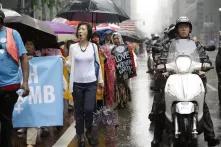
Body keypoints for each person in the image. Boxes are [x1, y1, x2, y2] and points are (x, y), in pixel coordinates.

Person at [151, 16, 220, 147]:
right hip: (173, 76)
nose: (183, 29)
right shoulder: (169, 44)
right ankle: (157, 137)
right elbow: (162, 58)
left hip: (192, 76)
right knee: (161, 104)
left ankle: (210, 136)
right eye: (181, 27)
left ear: (189, 30)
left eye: (186, 27)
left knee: (202, 105)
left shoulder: (196, 44)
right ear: (177, 30)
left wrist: (205, 64)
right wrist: (161, 65)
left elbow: (204, 58)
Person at [66, 22, 104, 147]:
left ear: (88, 32)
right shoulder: (73, 47)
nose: (80, 31)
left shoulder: (93, 46)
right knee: (79, 111)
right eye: (79, 29)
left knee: (89, 110)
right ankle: (80, 135)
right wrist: (65, 62)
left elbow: (97, 64)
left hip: (91, 84)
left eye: (83, 29)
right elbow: (70, 65)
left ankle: (88, 131)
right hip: (77, 84)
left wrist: (100, 80)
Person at [0, 10, 29, 147]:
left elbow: (23, 57)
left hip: (10, 85)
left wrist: (26, 82)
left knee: (5, 120)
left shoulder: (13, 34)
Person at [111, 32, 132, 108]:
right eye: (114, 38)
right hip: (117, 70)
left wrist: (131, 69)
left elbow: (130, 58)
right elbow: (112, 59)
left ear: (120, 38)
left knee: (125, 85)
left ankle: (125, 101)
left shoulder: (126, 47)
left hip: (125, 69)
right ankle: (120, 102)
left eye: (117, 38)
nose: (116, 40)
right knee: (118, 86)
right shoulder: (113, 49)